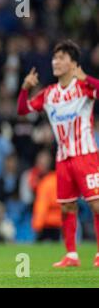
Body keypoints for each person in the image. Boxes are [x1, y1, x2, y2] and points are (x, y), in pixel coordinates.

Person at [18, 39, 99, 267]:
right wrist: (25, 88)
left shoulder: (84, 87)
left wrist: (87, 78)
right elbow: (23, 110)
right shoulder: (49, 93)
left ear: (74, 64)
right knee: (67, 206)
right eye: (55, 58)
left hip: (86, 155)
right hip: (63, 158)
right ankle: (71, 255)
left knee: (96, 204)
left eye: (61, 58)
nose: (56, 61)